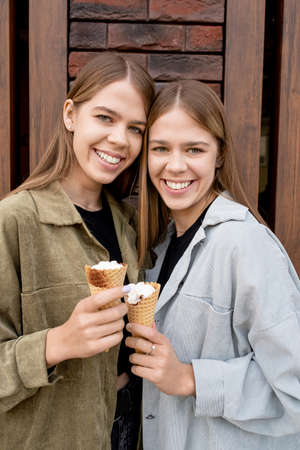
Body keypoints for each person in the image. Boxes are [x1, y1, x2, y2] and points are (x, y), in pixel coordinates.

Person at [125, 80, 300, 449]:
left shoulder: (247, 246)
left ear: (218, 154)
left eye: (194, 149)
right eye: (160, 148)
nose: (175, 165)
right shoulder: (159, 248)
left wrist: (191, 379)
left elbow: (294, 390)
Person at [0, 52, 154, 450]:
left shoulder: (130, 224)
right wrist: (57, 343)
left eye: (135, 128)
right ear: (71, 115)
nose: (120, 139)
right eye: (105, 118)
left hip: (129, 426)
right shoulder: (14, 221)